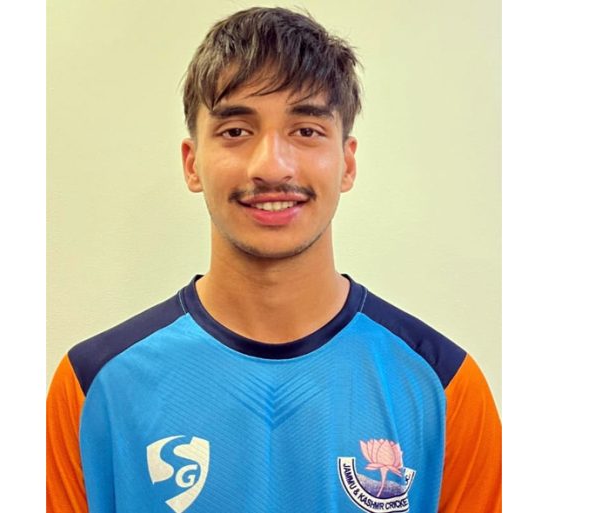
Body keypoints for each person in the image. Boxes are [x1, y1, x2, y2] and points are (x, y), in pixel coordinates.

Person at [46, 7, 501, 513]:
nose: (272, 166)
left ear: (347, 163)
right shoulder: (92, 388)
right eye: (235, 131)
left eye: (306, 130)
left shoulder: (444, 387)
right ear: (192, 163)